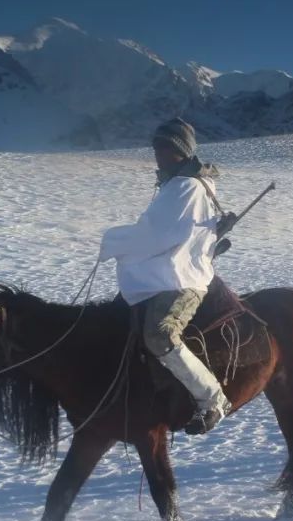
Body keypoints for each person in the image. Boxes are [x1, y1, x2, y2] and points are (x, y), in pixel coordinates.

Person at [98, 118, 237, 434]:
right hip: (169, 271)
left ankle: (213, 400)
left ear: (181, 149)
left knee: (160, 334)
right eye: (156, 146)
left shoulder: (185, 186)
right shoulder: (178, 184)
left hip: (182, 278)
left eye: (165, 147)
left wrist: (114, 240)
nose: (158, 153)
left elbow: (157, 235)